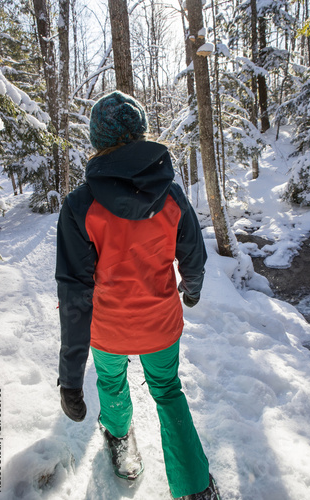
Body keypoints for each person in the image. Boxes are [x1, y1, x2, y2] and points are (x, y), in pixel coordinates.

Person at [56, 91, 218, 500]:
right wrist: (192, 290)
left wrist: (72, 379)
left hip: (107, 329)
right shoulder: (173, 196)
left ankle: (121, 444)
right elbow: (193, 257)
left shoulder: (80, 206)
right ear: (141, 134)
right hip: (160, 323)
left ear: (97, 141)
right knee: (166, 390)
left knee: (111, 382)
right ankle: (196, 486)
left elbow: (74, 293)